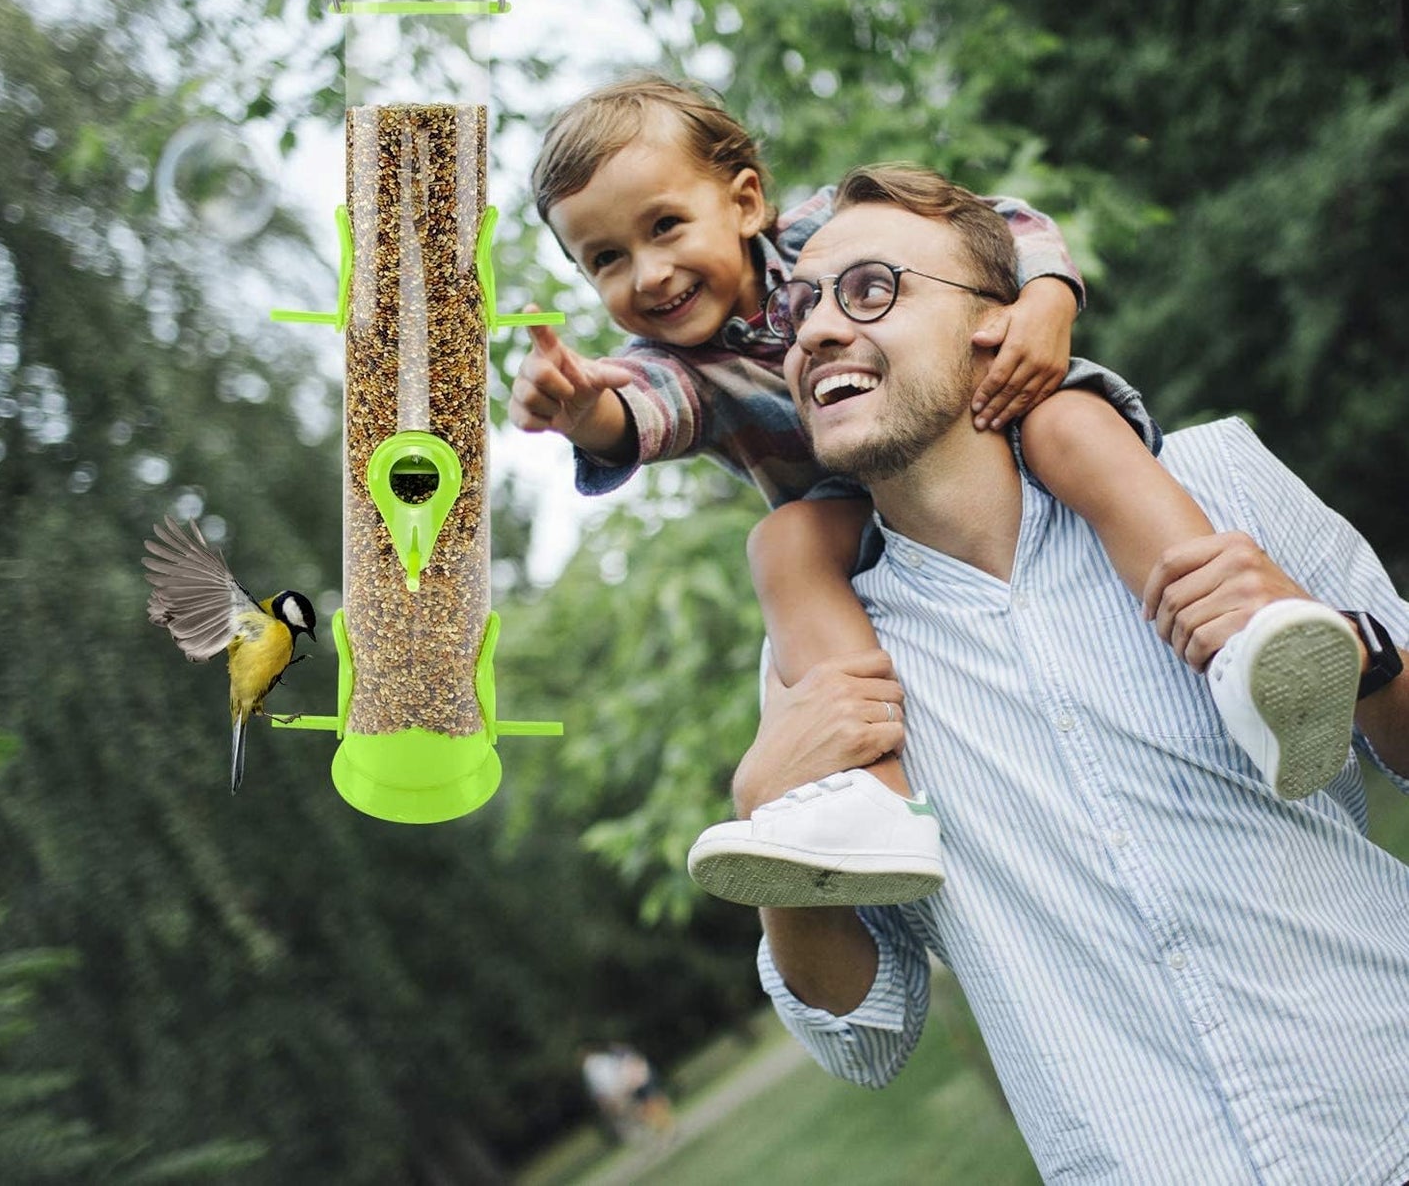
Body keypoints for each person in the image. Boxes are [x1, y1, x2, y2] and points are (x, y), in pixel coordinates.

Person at [510, 75, 1363, 909]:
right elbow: (640, 414)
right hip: (873, 522)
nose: (649, 274)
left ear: (742, 201)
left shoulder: (833, 231)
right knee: (781, 544)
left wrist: (1046, 298)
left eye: (664, 226)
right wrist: (584, 411)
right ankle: (876, 808)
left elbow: (1003, 223)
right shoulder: (670, 365)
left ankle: (1248, 654)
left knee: (1068, 425)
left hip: (997, 422)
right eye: (607, 259)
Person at [736, 162, 1409, 1183]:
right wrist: (773, 834)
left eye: (869, 289)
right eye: (797, 307)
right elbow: (861, 1039)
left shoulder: (1210, 481)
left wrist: (1352, 645)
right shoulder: (814, 660)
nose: (816, 329)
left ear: (994, 324)